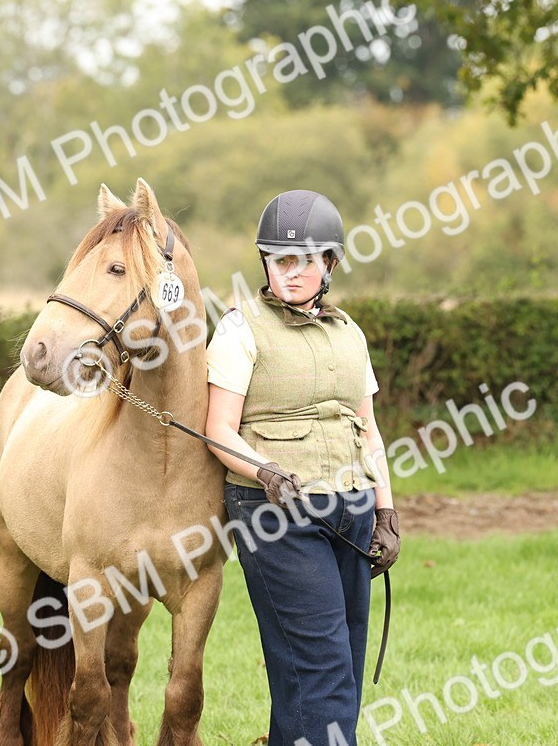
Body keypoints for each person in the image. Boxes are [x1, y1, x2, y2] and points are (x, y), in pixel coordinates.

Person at [204, 189, 400, 746]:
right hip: (276, 511)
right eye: (279, 260)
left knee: (340, 661)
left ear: (330, 264)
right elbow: (219, 428)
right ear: (264, 262)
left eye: (305, 261)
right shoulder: (240, 330)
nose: (290, 272)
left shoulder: (350, 333)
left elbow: (369, 428)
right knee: (323, 665)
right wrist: (266, 472)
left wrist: (386, 512)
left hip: (354, 508)